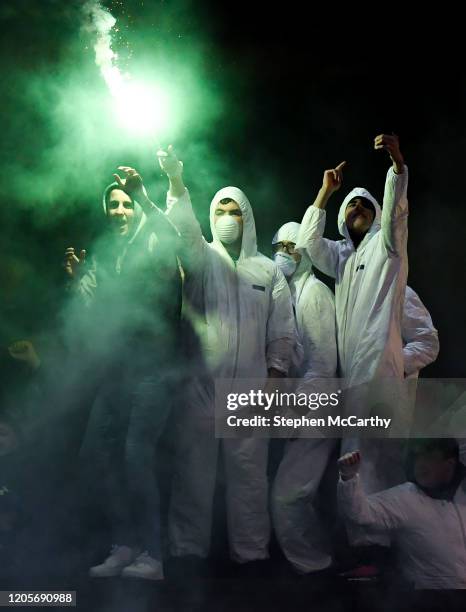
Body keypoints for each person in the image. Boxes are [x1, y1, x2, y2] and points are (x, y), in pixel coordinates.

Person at [160, 146, 296, 565]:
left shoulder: (267, 271)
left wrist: (274, 379)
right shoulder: (201, 258)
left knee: (250, 480)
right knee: (193, 477)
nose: (226, 218)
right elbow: (182, 229)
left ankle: (252, 555)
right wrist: (175, 181)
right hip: (200, 388)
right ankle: (186, 553)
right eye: (219, 209)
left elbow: (282, 331)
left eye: (234, 211)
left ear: (248, 218)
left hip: (250, 393)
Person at [65, 168, 182, 580]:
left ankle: (154, 554)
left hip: (155, 368)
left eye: (125, 204)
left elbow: (170, 236)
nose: (119, 211)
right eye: (113, 205)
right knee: (99, 455)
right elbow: (93, 315)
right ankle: (125, 543)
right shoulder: (104, 255)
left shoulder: (151, 238)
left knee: (136, 456)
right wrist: (81, 282)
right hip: (119, 369)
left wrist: (145, 198)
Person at [296, 136, 409, 546]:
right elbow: (309, 244)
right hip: (355, 381)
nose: (357, 208)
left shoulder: (387, 249)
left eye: (365, 205)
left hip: (378, 375)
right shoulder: (342, 259)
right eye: (352, 206)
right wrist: (327, 193)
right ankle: (370, 551)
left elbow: (397, 214)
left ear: (376, 214)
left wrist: (396, 166)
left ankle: (375, 553)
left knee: (374, 464)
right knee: (360, 462)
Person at [270, 221, 338, 574]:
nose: (284, 253)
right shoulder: (288, 293)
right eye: (279, 246)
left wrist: (298, 410)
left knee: (288, 497)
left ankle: (315, 566)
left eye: (292, 246)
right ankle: (315, 563)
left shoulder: (314, 294)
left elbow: (323, 363)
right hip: (300, 411)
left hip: (316, 410)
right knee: (299, 495)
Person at [337, 440, 466, 589]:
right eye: (418, 458)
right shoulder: (404, 498)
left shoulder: (462, 493)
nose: (420, 464)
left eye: (430, 459)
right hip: (430, 596)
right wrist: (348, 478)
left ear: (449, 465)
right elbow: (360, 514)